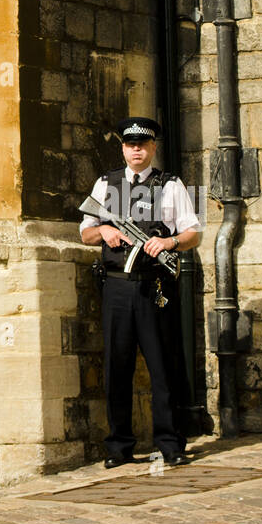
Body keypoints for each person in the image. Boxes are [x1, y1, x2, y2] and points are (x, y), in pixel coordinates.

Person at [79, 116, 201, 468]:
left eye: (143, 144)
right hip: (116, 286)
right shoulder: (106, 183)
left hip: (154, 287)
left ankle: (170, 443)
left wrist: (169, 241)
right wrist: (104, 231)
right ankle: (118, 446)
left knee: (164, 366)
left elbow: (194, 233)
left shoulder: (171, 184)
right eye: (130, 144)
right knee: (117, 368)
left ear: (153, 148)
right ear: (122, 148)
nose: (136, 149)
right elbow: (84, 232)